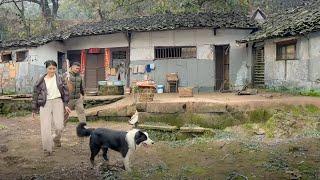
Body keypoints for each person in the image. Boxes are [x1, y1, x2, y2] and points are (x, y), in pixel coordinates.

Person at [32, 60, 71, 156]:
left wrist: (66, 105)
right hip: (45, 103)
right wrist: (34, 109)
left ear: (56, 69)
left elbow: (66, 92)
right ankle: (47, 149)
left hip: (58, 102)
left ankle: (56, 138)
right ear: (46, 69)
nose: (52, 70)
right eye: (50, 68)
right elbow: (35, 95)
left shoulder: (60, 79)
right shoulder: (40, 81)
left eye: (54, 68)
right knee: (45, 127)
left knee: (59, 126)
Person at [63, 62, 86, 126]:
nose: (77, 70)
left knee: (81, 112)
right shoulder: (66, 75)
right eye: (76, 68)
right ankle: (61, 127)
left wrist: (83, 94)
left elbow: (81, 87)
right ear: (72, 67)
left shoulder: (80, 76)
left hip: (78, 98)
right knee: (65, 114)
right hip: (69, 99)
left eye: (78, 69)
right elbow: (61, 86)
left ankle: (83, 127)